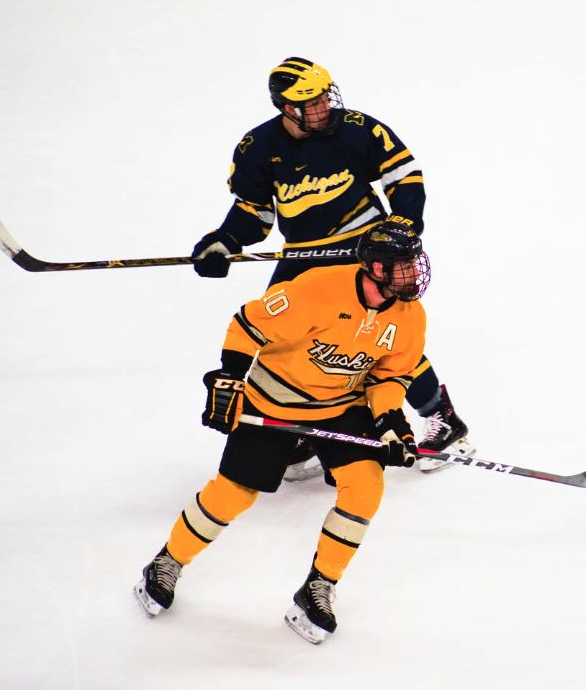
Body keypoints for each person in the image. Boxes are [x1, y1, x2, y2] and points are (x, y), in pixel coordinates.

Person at [134, 222, 430, 644]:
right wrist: (230, 378)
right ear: (376, 267)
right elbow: (245, 325)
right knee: (234, 492)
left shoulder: (409, 316)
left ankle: (318, 587)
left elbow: (390, 375)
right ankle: (168, 561)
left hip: (339, 406)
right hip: (274, 400)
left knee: (365, 486)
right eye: (403, 266)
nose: (414, 274)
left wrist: (390, 422)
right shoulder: (315, 289)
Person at [190, 56, 471, 478]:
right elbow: (254, 211)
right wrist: (226, 240)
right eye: (312, 103)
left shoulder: (358, 129)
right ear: (286, 108)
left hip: (368, 248)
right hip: (305, 255)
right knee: (281, 334)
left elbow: (405, 177)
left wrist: (404, 224)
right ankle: (310, 427)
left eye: (325, 97)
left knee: (385, 334)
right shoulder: (258, 148)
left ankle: (442, 418)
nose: (325, 107)